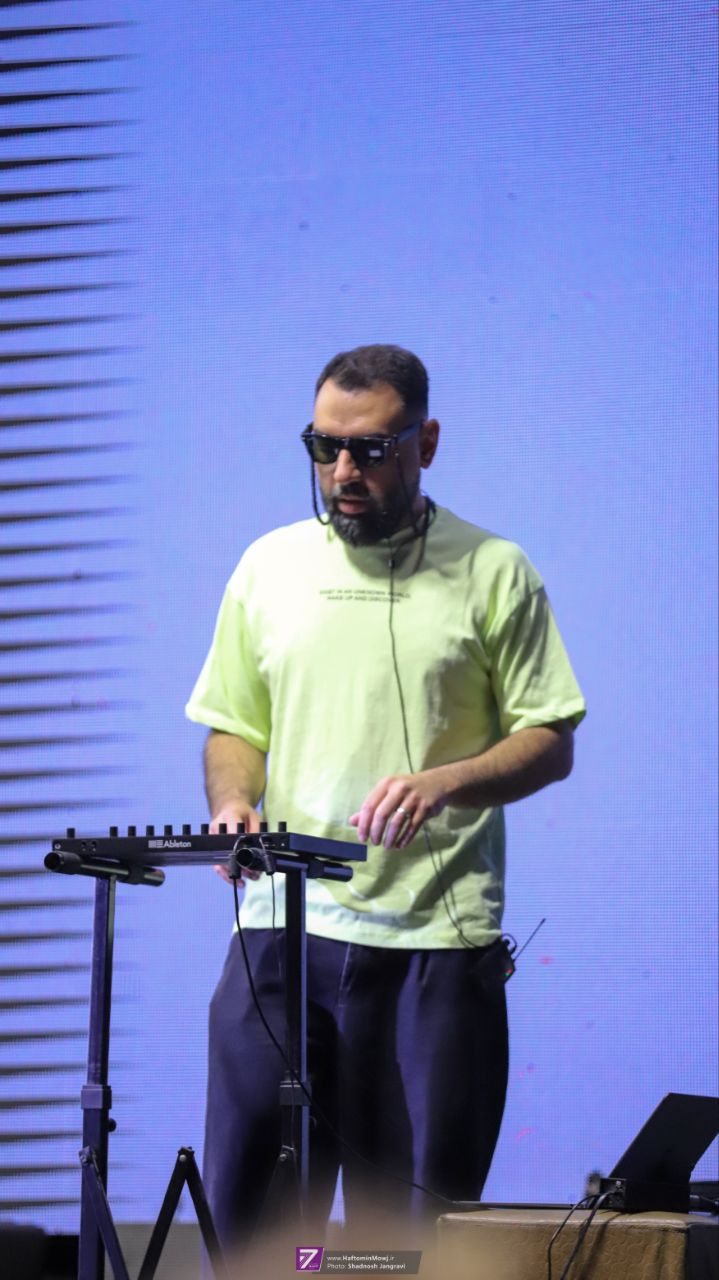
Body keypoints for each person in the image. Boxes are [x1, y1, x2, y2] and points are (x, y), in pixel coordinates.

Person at [185, 343, 586, 1248]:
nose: (342, 471)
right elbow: (233, 727)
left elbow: (549, 741)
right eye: (323, 447)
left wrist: (447, 781)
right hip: (281, 933)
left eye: (369, 449)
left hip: (433, 948)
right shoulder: (267, 566)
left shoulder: (494, 570)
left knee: (408, 1240)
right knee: (255, 1232)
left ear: (425, 443)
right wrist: (232, 802)